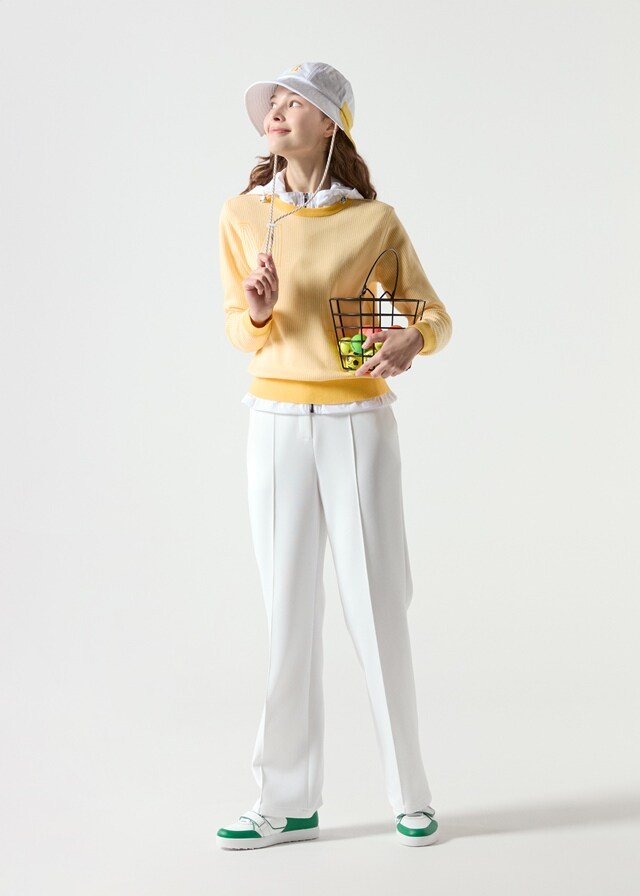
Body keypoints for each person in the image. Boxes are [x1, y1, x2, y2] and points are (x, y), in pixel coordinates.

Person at [216, 62, 452, 850]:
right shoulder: (242, 214)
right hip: (274, 421)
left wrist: (410, 339)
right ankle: (285, 802)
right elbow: (238, 326)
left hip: (357, 422)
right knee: (287, 611)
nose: (277, 111)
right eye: (273, 103)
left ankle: (410, 795)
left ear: (330, 123)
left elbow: (432, 314)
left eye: (296, 103)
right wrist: (257, 312)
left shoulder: (374, 221)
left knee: (379, 606)